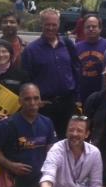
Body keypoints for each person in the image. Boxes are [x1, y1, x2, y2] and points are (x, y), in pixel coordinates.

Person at [22, 8, 81, 140]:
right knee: (46, 142)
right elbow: (26, 79)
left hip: (68, 104)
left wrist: (77, 98)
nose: (50, 28)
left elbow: (76, 70)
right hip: (45, 106)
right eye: (47, 24)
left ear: (58, 25)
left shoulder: (67, 44)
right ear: (41, 25)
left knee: (68, 141)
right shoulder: (31, 50)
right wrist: (35, 102)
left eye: (54, 25)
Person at [75, 14, 106, 104]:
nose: (91, 29)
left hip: (103, 95)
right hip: (82, 95)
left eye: (94, 26)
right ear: (84, 29)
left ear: (100, 28)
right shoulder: (76, 47)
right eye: (88, 27)